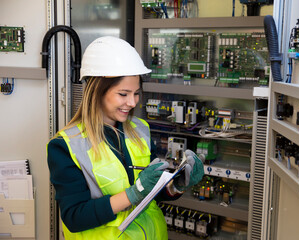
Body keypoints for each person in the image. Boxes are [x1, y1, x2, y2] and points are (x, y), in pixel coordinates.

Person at [47, 36, 204, 240]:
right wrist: (133, 194)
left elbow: (152, 194)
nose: (132, 103)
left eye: (136, 93)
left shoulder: (140, 130)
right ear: (96, 92)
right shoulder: (65, 146)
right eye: (123, 94)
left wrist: (177, 185)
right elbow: (75, 217)